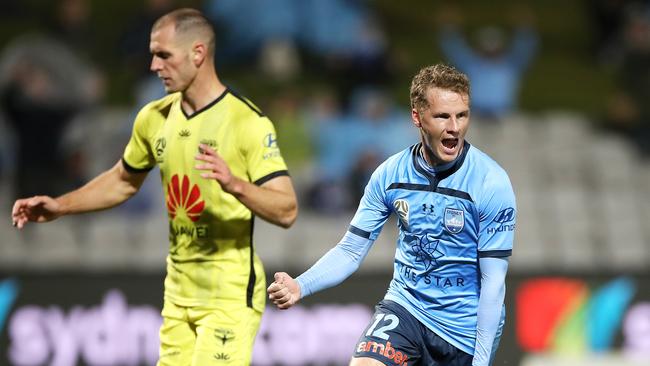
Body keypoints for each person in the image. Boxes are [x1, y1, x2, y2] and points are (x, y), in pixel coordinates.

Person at [11, 8, 298, 365]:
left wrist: (235, 184)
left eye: (163, 55)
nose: (153, 66)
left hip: (228, 294)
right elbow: (121, 181)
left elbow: (286, 210)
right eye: (152, 54)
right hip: (178, 293)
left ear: (197, 53)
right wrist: (60, 206)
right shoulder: (153, 118)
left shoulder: (247, 122)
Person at [268, 64, 516, 366]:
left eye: (462, 115)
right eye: (442, 116)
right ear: (417, 117)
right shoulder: (390, 175)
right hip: (406, 309)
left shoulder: (490, 182)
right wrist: (300, 285)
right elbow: (350, 250)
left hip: (463, 330)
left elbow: (494, 282)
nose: (454, 127)